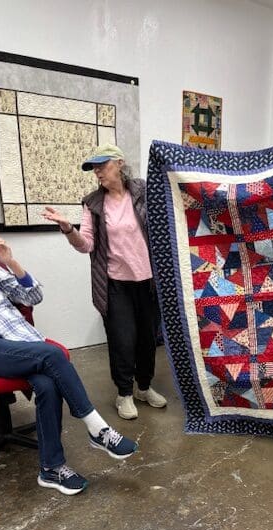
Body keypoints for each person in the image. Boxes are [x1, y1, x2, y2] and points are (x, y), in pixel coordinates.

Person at [0, 233, 138, 495]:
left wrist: (10, 262)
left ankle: (51, 469)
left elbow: (33, 296)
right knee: (52, 355)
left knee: (47, 384)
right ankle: (98, 429)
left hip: (16, 340)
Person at [42, 143, 166, 420]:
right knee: (123, 340)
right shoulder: (93, 203)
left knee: (148, 339)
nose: (97, 171)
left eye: (102, 165)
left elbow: (166, 220)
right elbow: (86, 245)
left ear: (119, 163)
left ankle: (143, 388)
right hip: (115, 284)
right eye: (94, 168)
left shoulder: (143, 191)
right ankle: (124, 394)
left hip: (148, 282)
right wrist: (68, 228)